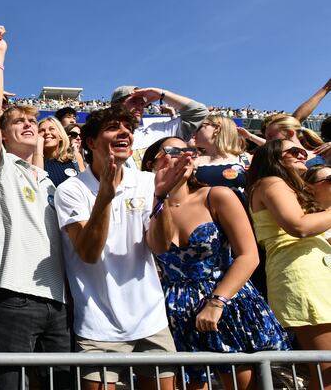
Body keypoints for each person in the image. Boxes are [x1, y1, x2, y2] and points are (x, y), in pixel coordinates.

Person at [55, 106, 190, 390]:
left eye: (128, 128)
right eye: (113, 127)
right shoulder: (71, 190)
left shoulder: (147, 181)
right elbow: (89, 254)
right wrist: (104, 197)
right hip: (97, 325)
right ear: (91, 142)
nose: (125, 132)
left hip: (151, 320)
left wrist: (160, 197)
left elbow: (160, 246)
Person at [141, 137, 289, 388]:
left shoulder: (217, 195)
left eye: (191, 151)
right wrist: (161, 196)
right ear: (151, 164)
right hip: (175, 310)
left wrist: (217, 302)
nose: (186, 155)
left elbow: (248, 255)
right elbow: (158, 247)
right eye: (174, 151)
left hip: (226, 301)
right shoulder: (145, 207)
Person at [0, 26, 70, 390]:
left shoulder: (46, 180)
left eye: (32, 121)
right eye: (18, 121)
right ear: (3, 132)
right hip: (13, 296)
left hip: (56, 302)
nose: (28, 124)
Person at [246, 139, 331, 390]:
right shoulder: (271, 182)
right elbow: (300, 226)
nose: (301, 154)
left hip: (312, 272)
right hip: (302, 275)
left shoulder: (290, 188)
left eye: (303, 150)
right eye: (293, 151)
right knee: (326, 371)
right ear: (273, 157)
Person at [109, 85, 209, 169]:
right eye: (134, 101)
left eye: (142, 103)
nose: (140, 107)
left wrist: (161, 94)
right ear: (115, 106)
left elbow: (199, 112)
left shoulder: (157, 131)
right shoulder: (102, 138)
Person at [193, 115, 251, 201]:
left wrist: (251, 137)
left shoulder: (245, 158)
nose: (195, 132)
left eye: (199, 127)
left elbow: (275, 151)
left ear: (216, 128)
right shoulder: (193, 160)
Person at [260, 114, 325, 166]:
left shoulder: (324, 156)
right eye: (266, 138)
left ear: (290, 133)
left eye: (271, 136)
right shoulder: (273, 162)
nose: (267, 141)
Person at [37, 116, 81, 187]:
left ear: (60, 136)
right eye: (41, 130)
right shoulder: (33, 162)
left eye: (51, 129)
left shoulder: (75, 158)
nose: (47, 132)